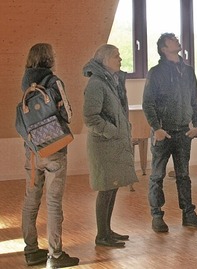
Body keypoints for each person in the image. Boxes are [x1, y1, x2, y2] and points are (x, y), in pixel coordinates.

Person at [20, 43, 79, 268]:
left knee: (31, 200)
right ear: (48, 59)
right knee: (53, 202)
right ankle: (55, 255)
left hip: (32, 150)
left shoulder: (25, 82)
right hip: (54, 148)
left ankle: (31, 250)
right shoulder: (54, 81)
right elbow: (68, 114)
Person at [143, 33, 197, 232]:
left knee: (184, 175)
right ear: (164, 48)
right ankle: (157, 215)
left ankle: (188, 214)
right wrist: (157, 128)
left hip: (184, 132)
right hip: (164, 134)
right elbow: (148, 103)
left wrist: (196, 123)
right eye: (172, 39)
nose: (177, 40)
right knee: (157, 176)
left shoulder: (188, 71)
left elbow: (194, 100)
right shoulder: (155, 72)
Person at [82, 44, 138, 247]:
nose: (120, 59)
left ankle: (107, 231)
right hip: (104, 145)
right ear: (105, 60)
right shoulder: (97, 84)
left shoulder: (110, 81)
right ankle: (102, 235)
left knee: (112, 188)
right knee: (106, 190)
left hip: (112, 144)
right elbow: (90, 118)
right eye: (116, 56)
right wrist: (113, 132)